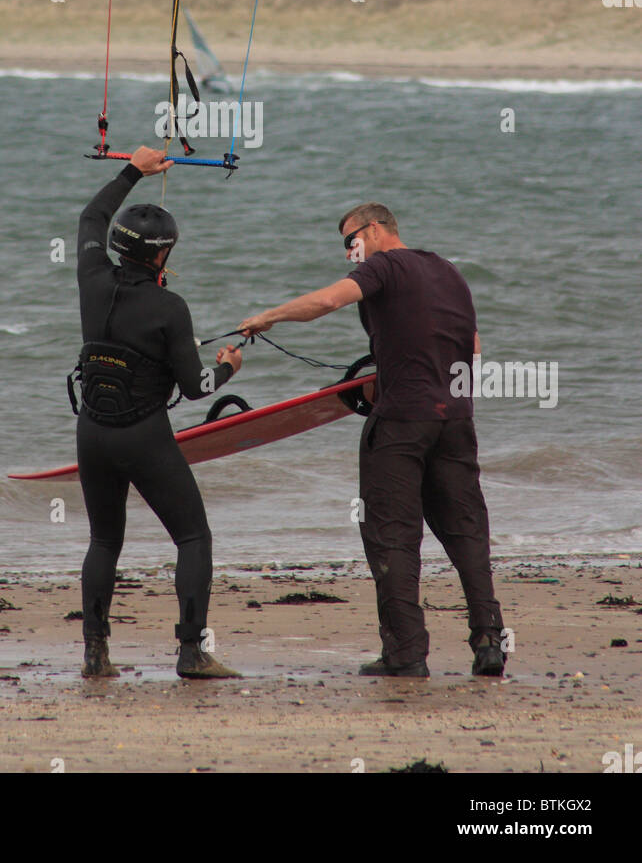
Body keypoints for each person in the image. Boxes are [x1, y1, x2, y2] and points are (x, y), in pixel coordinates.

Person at [239, 203, 505, 679]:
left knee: (392, 535)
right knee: (467, 532)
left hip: (402, 422)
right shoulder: (448, 271)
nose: (349, 252)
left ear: (377, 230)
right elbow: (475, 348)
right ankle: (488, 643)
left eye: (351, 241)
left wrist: (269, 317)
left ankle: (406, 654)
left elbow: (327, 302)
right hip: (456, 419)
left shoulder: (384, 265)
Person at [75, 146, 243, 680]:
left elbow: (90, 218)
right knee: (193, 537)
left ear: (120, 246)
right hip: (143, 436)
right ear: (163, 257)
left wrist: (132, 170)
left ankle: (95, 654)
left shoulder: (91, 276)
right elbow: (196, 388)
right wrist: (228, 371)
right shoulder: (171, 308)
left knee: (104, 539)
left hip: (92, 432)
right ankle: (191, 652)